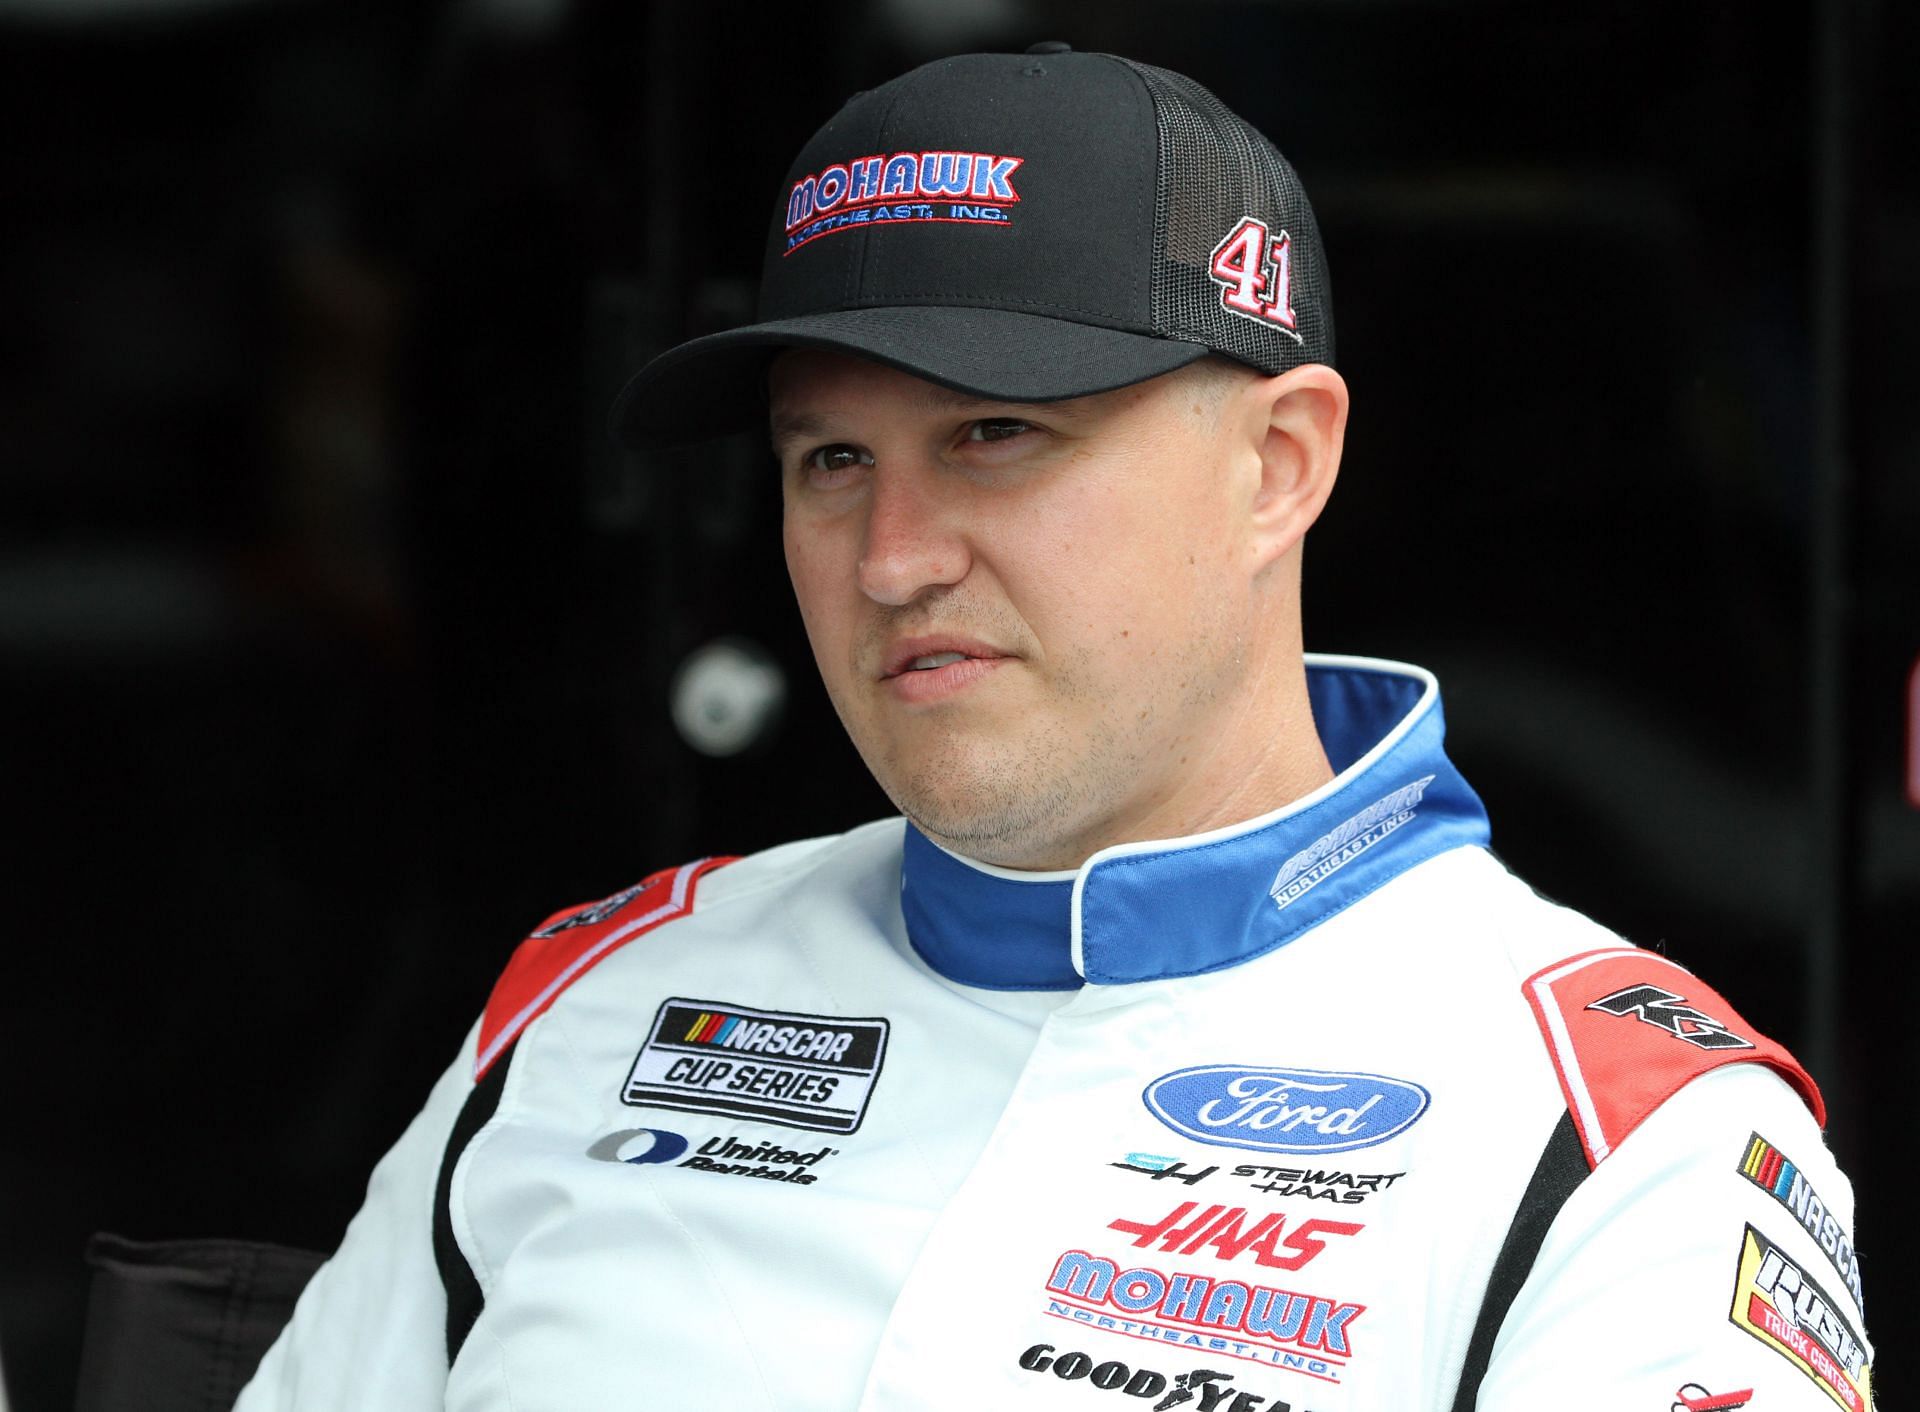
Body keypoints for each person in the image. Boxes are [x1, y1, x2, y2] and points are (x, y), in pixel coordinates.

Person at [237, 46, 1873, 1412]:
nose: (892, 560)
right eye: (831, 461)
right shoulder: (599, 1001)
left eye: (997, 433)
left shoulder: (1617, 1135)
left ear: (1279, 465)